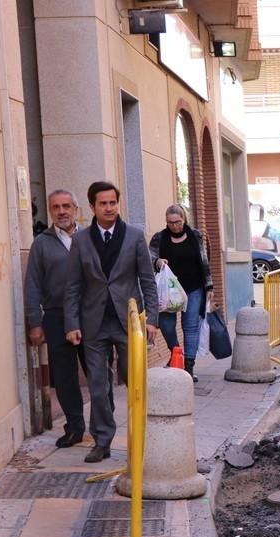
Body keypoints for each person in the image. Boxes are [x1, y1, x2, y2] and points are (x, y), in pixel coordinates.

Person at [64, 181, 158, 463]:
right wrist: (72, 323)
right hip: (93, 323)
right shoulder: (81, 240)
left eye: (113, 203)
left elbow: (147, 280)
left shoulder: (134, 236)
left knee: (134, 380)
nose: (109, 208)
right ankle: (102, 440)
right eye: (103, 203)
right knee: (98, 384)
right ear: (92, 207)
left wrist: (151, 319)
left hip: (128, 322)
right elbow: (72, 285)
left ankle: (145, 437)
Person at [24, 189, 87, 448]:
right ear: (50, 211)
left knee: (98, 373)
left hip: (89, 316)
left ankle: (102, 428)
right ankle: (75, 427)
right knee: (64, 376)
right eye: (56, 207)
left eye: (66, 206)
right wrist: (35, 322)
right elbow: (32, 284)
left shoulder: (89, 238)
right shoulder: (42, 243)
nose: (61, 212)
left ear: (75, 209)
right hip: (56, 316)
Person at [149, 204, 213, 381]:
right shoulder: (159, 238)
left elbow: (204, 261)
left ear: (184, 219)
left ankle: (189, 367)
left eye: (178, 222)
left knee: (190, 327)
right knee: (166, 325)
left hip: (193, 288)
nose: (175, 226)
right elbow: (150, 257)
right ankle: (176, 354)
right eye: (170, 223)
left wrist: (209, 286)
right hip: (168, 291)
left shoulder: (195, 235)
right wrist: (158, 262)